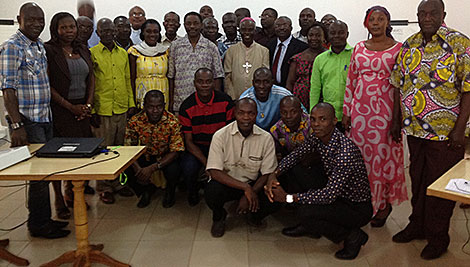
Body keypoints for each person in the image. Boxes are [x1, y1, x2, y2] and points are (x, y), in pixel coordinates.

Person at [390, 0, 470, 260]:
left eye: (433, 13)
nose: (427, 17)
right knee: (419, 180)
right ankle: (417, 225)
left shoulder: (460, 44)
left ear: (443, 15)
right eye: (422, 13)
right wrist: (395, 120)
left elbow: (468, 90)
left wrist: (460, 130)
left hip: (445, 133)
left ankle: (438, 237)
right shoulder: (409, 45)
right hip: (414, 130)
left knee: (439, 188)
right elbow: (397, 84)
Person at [265, 103, 373, 260]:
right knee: (295, 169)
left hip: (354, 207)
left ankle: (352, 236)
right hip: (336, 194)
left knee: (305, 212)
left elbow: (328, 195)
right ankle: (312, 228)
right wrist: (273, 174)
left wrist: (288, 198)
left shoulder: (345, 153)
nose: (316, 124)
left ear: (334, 121)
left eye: (323, 119)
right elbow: (296, 155)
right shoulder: (318, 137)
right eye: (313, 119)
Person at [0, 2, 70, 239]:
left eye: (40, 20)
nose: (36, 24)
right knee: (38, 175)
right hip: (28, 121)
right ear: (19, 19)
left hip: (44, 117)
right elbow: (7, 89)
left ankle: (43, 219)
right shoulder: (11, 47)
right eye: (31, 19)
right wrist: (17, 125)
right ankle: (39, 225)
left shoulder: (38, 44)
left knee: (45, 172)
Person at [342, 6, 407, 228]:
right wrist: (346, 112)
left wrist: (398, 119)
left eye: (381, 19)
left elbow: (402, 86)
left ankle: (383, 205)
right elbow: (351, 80)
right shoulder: (359, 48)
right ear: (366, 23)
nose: (376, 23)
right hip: (360, 112)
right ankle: (362, 202)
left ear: (388, 23)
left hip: (386, 113)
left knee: (382, 157)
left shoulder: (400, 49)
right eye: (372, 19)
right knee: (361, 158)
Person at [45, 12, 95, 220]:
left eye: (71, 27)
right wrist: (69, 107)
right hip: (61, 111)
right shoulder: (49, 51)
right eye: (64, 27)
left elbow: (91, 76)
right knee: (59, 158)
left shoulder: (82, 48)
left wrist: (88, 105)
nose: (69, 31)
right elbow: (48, 84)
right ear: (55, 29)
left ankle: (74, 193)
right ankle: (58, 197)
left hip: (82, 109)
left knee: (81, 155)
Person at [205, 98, 277, 237]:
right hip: (228, 182)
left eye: (250, 113)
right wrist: (245, 189)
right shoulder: (220, 136)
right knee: (212, 191)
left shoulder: (266, 138)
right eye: (241, 113)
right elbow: (214, 171)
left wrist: (251, 190)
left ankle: (255, 215)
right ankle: (219, 217)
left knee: (275, 192)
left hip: (254, 183)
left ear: (256, 114)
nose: (246, 118)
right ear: (234, 114)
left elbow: (267, 173)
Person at [90, 18, 135, 204]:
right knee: (104, 151)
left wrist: (131, 103)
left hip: (121, 107)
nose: (108, 33)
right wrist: (92, 109)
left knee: (121, 150)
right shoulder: (92, 53)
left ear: (115, 31)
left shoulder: (123, 54)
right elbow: (90, 85)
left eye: (111, 30)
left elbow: (127, 80)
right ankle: (104, 187)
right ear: (98, 33)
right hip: (103, 109)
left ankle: (120, 183)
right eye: (104, 30)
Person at [179, 68, 235, 206]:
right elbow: (189, 142)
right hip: (198, 147)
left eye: (208, 82)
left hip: (221, 147)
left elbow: (230, 134)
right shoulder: (186, 106)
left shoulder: (226, 101)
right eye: (200, 82)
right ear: (194, 83)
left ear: (214, 83)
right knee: (189, 167)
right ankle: (193, 191)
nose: (204, 85)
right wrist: (207, 163)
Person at [125, 90, 184, 208]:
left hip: (165, 156)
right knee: (126, 169)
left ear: (164, 105)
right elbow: (128, 148)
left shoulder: (172, 121)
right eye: (151, 107)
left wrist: (152, 168)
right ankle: (145, 190)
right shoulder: (134, 121)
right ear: (144, 106)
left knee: (175, 169)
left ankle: (170, 192)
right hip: (145, 155)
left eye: (159, 107)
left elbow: (175, 150)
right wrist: (139, 170)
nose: (155, 111)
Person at [168, 12, 224, 113]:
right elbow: (171, 76)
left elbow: (217, 76)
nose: (192, 26)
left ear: (201, 25)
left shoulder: (211, 47)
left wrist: (216, 101)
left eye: (196, 23)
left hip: (206, 103)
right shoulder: (175, 46)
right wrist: (171, 102)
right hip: (180, 102)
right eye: (188, 23)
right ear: (184, 25)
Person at [310, 20, 352, 131]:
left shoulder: (355, 55)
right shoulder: (320, 59)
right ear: (328, 35)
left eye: (340, 33)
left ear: (347, 34)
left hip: (350, 114)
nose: (336, 36)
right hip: (327, 117)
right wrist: (313, 115)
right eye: (333, 33)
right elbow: (315, 89)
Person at [128, 19, 169, 112]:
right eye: (148, 31)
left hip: (163, 92)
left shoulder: (166, 51)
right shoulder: (134, 51)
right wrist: (132, 102)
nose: (152, 35)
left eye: (155, 32)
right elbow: (131, 78)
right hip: (142, 93)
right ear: (143, 33)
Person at [224, 18, 269, 99]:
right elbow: (227, 77)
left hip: (257, 98)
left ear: (255, 31)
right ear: (239, 31)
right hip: (236, 97)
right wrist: (232, 97)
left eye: (250, 30)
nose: (247, 33)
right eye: (244, 30)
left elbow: (265, 77)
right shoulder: (231, 50)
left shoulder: (264, 51)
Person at [286, 22, 327, 111]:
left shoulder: (329, 57)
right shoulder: (297, 58)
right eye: (311, 35)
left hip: (323, 102)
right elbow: (290, 83)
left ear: (324, 38)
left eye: (318, 35)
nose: (314, 38)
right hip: (300, 102)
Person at [268, 16, 309, 88]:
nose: (281, 28)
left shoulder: (301, 47)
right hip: (272, 88)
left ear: (291, 28)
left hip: (292, 89)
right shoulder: (269, 45)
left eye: (284, 25)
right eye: (278, 26)